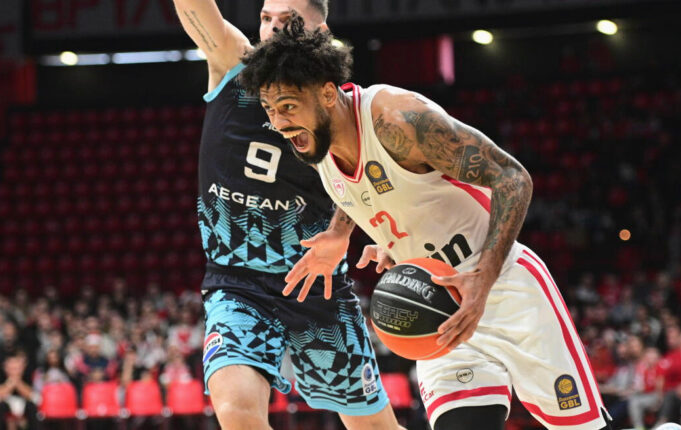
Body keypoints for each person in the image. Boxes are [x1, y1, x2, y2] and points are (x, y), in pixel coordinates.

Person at [239, 17, 613, 430]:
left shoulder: (399, 120)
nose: (278, 122)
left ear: (328, 94)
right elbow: (360, 188)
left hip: (502, 288)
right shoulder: (313, 140)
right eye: (270, 110)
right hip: (434, 308)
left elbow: (512, 178)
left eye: (288, 107)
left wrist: (482, 281)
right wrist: (345, 233)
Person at [171, 1, 402, 429]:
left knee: (373, 427)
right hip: (237, 281)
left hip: (314, 282)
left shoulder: (337, 103)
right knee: (236, 411)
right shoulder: (232, 63)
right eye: (266, 18)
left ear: (321, 30)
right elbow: (195, 11)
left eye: (288, 19)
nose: (273, 28)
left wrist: (341, 233)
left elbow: (363, 177)